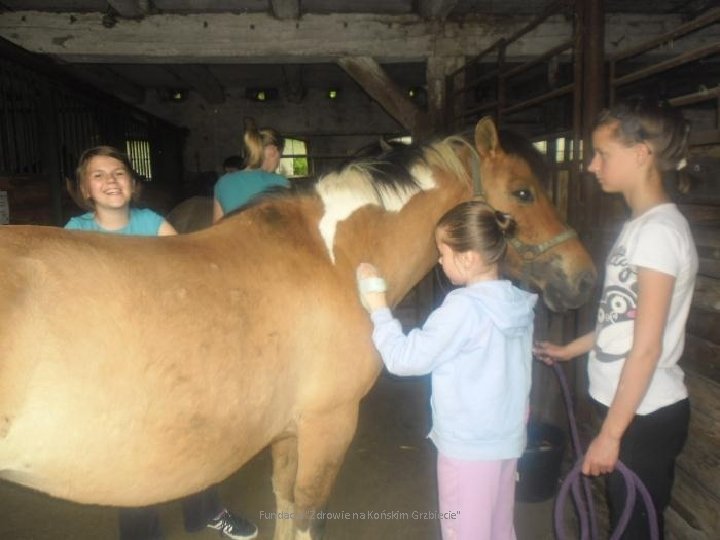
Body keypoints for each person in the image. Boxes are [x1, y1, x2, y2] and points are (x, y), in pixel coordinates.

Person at [65, 145, 258, 540]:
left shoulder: (152, 223)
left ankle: (206, 511)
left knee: (195, 433)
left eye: (118, 173)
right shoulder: (76, 233)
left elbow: (189, 269)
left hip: (166, 351)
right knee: (136, 454)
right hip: (114, 360)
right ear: (86, 189)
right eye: (99, 175)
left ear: (132, 184)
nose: (110, 181)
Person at [533, 98, 697, 539]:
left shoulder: (658, 233)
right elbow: (623, 318)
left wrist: (610, 434)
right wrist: (573, 348)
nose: (590, 165)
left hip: (643, 413)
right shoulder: (639, 226)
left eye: (603, 153)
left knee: (635, 529)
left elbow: (647, 346)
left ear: (641, 154)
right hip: (629, 408)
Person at [356, 200, 538, 540]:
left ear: (468, 258)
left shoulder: (464, 308)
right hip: (507, 442)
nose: (439, 261)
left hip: (469, 448)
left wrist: (378, 306)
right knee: (499, 529)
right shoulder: (516, 302)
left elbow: (404, 359)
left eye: (443, 252)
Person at [213, 118, 290, 222]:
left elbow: (216, 230)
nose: (278, 162)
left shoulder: (222, 183)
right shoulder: (281, 183)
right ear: (273, 151)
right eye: (280, 156)